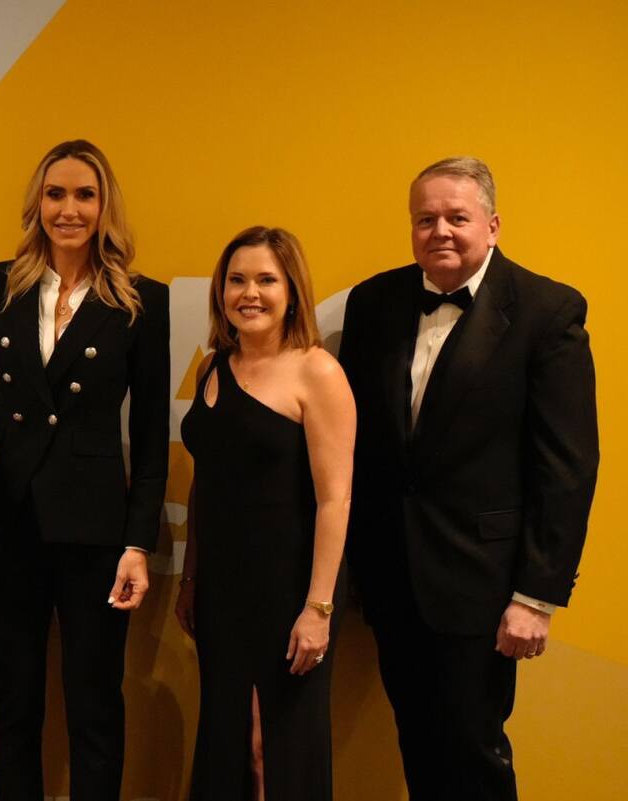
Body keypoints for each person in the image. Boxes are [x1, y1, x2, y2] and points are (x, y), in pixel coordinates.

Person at [338, 157, 599, 800]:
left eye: (457, 216)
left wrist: (536, 596)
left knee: (474, 750)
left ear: (492, 224)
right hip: (394, 578)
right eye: (425, 219)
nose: (441, 231)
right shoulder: (374, 303)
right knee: (418, 743)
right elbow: (361, 445)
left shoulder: (547, 309)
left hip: (485, 589)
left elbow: (566, 466)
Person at [0, 139, 170, 801]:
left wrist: (139, 541)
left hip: (94, 530)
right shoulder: (2, 282)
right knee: (13, 702)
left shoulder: (141, 299)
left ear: (105, 205)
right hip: (7, 520)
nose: (69, 209)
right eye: (56, 194)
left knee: (94, 704)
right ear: (37, 202)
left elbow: (149, 436)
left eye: (85, 194)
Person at [174, 226, 355, 800]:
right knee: (228, 739)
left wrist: (318, 608)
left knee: (268, 748)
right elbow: (209, 481)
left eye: (266, 280)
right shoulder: (213, 366)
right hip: (222, 590)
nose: (249, 293)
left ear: (292, 290)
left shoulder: (316, 371)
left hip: (290, 590)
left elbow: (336, 498)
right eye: (237, 280)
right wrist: (191, 577)